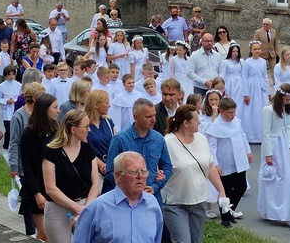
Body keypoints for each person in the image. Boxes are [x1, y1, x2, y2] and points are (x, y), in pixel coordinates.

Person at [163, 104, 230, 241]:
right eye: (196, 119)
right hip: (176, 203)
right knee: (183, 241)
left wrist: (221, 192)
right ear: (186, 123)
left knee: (196, 240)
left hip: (199, 200)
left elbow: (210, 166)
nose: (199, 122)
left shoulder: (201, 139)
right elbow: (160, 168)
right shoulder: (168, 142)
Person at [75, 151, 164, 243]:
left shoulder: (152, 204)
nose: (140, 176)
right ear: (118, 176)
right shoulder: (97, 207)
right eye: (133, 172)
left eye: (143, 171)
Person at [42, 110, 100, 243]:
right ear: (73, 129)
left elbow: (95, 184)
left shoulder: (88, 150)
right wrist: (76, 207)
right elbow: (50, 188)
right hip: (58, 209)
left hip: (85, 205)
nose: (89, 130)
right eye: (86, 126)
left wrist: (86, 207)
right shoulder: (51, 152)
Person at [105, 98, 173, 211]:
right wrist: (129, 187)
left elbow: (168, 167)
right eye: (148, 117)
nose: (153, 120)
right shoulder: (120, 140)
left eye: (154, 115)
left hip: (152, 198)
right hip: (126, 201)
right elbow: (110, 171)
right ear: (136, 117)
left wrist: (155, 187)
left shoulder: (158, 139)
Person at [258, 83, 290, 229]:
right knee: (274, 178)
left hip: (282, 144)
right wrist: (268, 154)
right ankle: (274, 211)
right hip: (273, 145)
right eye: (287, 99)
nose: (289, 102)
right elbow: (266, 133)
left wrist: (289, 143)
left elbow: (289, 126)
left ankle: (285, 212)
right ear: (280, 97)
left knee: (285, 178)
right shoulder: (268, 110)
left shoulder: (286, 109)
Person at [205, 96, 252, 226]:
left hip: (239, 161)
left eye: (234, 112)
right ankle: (225, 217)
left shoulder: (236, 121)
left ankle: (230, 209)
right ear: (221, 111)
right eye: (229, 113)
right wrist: (215, 164)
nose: (232, 115)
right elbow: (212, 147)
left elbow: (243, 136)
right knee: (225, 190)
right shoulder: (215, 126)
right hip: (224, 163)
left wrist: (248, 151)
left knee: (241, 187)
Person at [20, 93, 59, 241]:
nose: (58, 110)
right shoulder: (29, 133)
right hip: (37, 188)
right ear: (45, 110)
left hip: (54, 186)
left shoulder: (56, 129)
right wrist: (36, 193)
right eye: (55, 107)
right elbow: (27, 166)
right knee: (43, 234)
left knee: (55, 233)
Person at [8, 82, 46, 237]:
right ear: (35, 98)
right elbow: (14, 141)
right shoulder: (19, 116)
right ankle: (30, 231)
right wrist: (13, 166)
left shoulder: (42, 115)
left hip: (41, 165)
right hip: (25, 166)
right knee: (29, 198)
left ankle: (41, 229)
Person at [85, 90, 117, 193]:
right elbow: (85, 147)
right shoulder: (85, 124)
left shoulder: (108, 121)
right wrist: (101, 165)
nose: (109, 106)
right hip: (94, 169)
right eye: (106, 102)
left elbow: (116, 143)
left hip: (111, 167)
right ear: (96, 105)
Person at [241, 41, 270, 143]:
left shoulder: (263, 61)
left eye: (258, 49)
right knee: (251, 110)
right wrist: (246, 94)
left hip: (261, 88)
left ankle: (261, 135)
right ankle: (250, 135)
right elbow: (244, 77)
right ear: (251, 50)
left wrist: (268, 92)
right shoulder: (247, 62)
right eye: (255, 49)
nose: (257, 51)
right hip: (251, 87)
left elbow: (265, 76)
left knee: (262, 109)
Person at [0, 65, 21, 152]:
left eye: (12, 74)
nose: (11, 76)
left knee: (16, 127)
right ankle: (6, 145)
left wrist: (15, 100)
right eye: (9, 74)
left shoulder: (19, 85)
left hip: (16, 108)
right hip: (6, 110)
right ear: (5, 75)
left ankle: (15, 144)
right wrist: (6, 101)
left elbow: (21, 96)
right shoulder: (1, 86)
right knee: (8, 128)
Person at [218, 43, 247, 117]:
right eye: (233, 51)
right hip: (230, 84)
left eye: (237, 51)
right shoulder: (225, 62)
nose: (235, 53)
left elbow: (244, 74)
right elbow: (223, 74)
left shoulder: (241, 61)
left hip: (239, 84)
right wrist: (223, 87)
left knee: (240, 102)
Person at [253, 18, 278, 85]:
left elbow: (275, 43)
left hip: (272, 54)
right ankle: (261, 82)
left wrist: (276, 53)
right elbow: (255, 43)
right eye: (263, 24)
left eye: (266, 24)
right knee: (261, 69)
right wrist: (257, 53)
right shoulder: (258, 32)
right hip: (262, 54)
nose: (265, 25)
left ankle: (276, 83)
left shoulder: (274, 32)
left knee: (274, 69)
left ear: (270, 25)